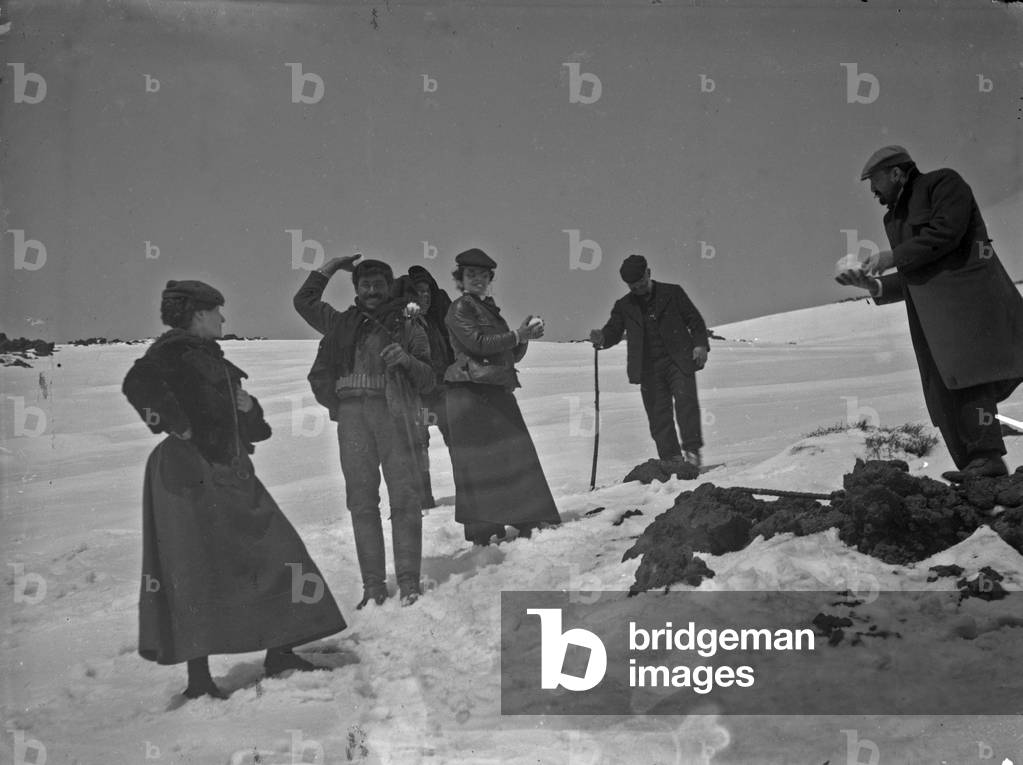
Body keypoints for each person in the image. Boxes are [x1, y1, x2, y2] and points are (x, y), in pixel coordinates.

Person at [122, 280, 345, 701]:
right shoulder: (169, 354)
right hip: (189, 472)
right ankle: (199, 679)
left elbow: (250, 426)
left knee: (278, 552)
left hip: (228, 468)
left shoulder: (207, 356)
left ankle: (280, 651)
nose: (224, 318)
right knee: (196, 567)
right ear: (198, 314)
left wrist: (250, 410)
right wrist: (177, 424)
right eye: (217, 311)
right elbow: (137, 384)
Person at [837, 145, 1023, 481]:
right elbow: (917, 270)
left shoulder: (943, 184)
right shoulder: (893, 218)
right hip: (931, 321)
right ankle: (974, 471)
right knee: (942, 396)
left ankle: (988, 459)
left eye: (875, 181)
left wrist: (892, 257)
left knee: (971, 383)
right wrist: (875, 287)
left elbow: (946, 234)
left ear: (896, 173)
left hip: (969, 306)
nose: (873, 191)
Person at [294, 255, 435, 606]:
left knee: (405, 500)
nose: (372, 291)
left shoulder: (409, 324)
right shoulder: (341, 323)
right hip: (353, 420)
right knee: (361, 503)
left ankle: (409, 583)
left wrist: (405, 360)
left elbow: (430, 376)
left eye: (379, 285)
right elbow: (304, 302)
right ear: (356, 289)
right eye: (365, 285)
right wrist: (329, 267)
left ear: (390, 288)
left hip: (395, 416)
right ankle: (372, 588)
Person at [443, 247, 562, 545]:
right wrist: (518, 335)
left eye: (483, 276)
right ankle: (487, 529)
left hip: (492, 388)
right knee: (481, 462)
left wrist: (524, 339)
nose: (478, 280)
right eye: (471, 275)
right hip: (470, 393)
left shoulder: (487, 308)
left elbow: (505, 352)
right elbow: (478, 343)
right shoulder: (460, 308)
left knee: (512, 454)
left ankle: (525, 519)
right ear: (461, 278)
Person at [589, 255, 710, 470]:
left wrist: (700, 346)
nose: (638, 289)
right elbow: (613, 331)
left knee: (686, 404)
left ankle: (692, 452)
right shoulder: (624, 306)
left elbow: (696, 321)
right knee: (658, 413)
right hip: (648, 369)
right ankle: (671, 459)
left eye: (641, 284)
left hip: (679, 361)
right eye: (633, 287)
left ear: (649, 273)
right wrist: (602, 338)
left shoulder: (673, 293)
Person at [408, 265, 455, 507]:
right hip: (419, 399)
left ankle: (470, 491)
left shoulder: (438, 321)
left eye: (427, 292)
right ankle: (423, 498)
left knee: (457, 441)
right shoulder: (404, 326)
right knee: (418, 447)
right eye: (418, 293)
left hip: (442, 393)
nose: (424, 297)